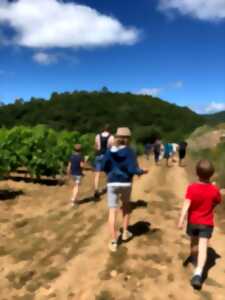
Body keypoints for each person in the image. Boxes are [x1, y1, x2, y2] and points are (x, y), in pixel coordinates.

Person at [101, 127, 148, 252]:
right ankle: (125, 232)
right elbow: (132, 169)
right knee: (126, 207)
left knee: (112, 211)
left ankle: (113, 241)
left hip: (112, 183)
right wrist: (141, 171)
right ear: (128, 139)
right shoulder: (129, 152)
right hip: (126, 183)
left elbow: (103, 166)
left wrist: (109, 173)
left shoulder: (109, 151)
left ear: (117, 137)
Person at [178, 160, 222, 289]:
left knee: (193, 242)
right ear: (211, 175)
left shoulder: (192, 188)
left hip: (193, 222)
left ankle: (192, 257)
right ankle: (198, 273)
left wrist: (181, 219)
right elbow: (217, 201)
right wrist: (214, 190)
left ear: (197, 173)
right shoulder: (214, 190)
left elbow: (187, 203)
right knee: (203, 246)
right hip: (206, 223)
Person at [94, 124, 114, 197]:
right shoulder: (111, 137)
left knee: (97, 173)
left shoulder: (97, 136)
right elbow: (111, 148)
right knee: (108, 172)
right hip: (106, 156)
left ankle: (96, 189)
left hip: (98, 155)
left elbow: (96, 146)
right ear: (109, 129)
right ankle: (108, 186)